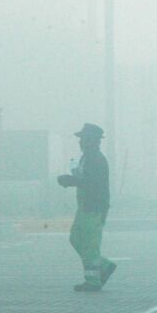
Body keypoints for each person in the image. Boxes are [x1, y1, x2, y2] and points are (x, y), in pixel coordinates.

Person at [57, 123, 116, 292]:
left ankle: (92, 281)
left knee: (90, 245)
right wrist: (72, 180)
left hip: (94, 208)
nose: (81, 142)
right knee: (75, 239)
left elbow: (92, 184)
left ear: (94, 141)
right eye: (81, 139)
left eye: (84, 139)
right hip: (84, 206)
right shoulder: (86, 158)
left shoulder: (97, 159)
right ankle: (103, 265)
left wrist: (70, 181)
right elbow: (84, 179)